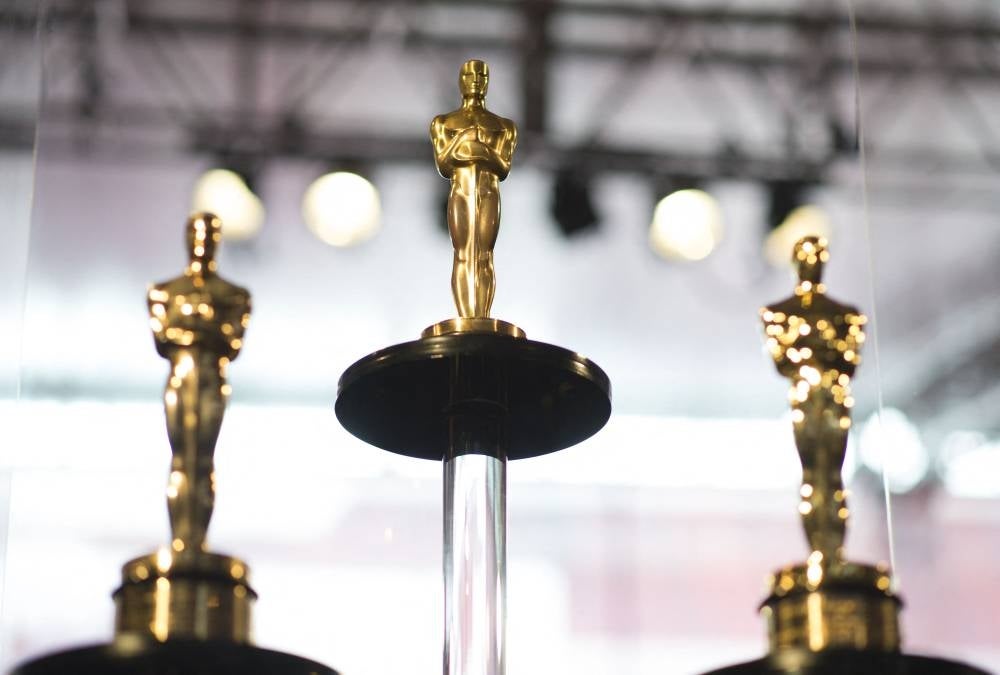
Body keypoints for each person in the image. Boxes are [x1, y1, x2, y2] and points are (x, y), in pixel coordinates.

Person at [147, 212, 250, 554]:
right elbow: (163, 339)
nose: (203, 241)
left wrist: (190, 330)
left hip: (210, 378)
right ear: (187, 237)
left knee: (202, 459)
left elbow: (233, 343)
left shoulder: (233, 295)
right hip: (182, 374)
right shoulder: (164, 292)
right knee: (182, 458)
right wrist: (206, 329)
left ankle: (195, 541)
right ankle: (182, 540)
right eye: (196, 232)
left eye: (210, 234)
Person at [761, 236, 866, 564]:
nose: (811, 264)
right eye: (805, 257)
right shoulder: (779, 313)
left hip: (833, 393)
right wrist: (819, 352)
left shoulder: (845, 314)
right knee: (813, 472)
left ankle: (832, 552)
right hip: (805, 393)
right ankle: (822, 552)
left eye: (816, 256)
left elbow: (851, 361)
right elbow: (781, 362)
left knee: (832, 473)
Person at [431, 59, 517, 318]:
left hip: (488, 192)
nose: (475, 80)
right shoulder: (444, 123)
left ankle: (480, 317)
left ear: (487, 83)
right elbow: (444, 164)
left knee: (484, 254)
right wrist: (469, 144)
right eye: (470, 75)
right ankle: (467, 317)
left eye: (481, 76)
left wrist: (472, 149)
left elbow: (503, 167)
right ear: (461, 81)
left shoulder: (503, 126)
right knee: (462, 253)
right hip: (461, 190)